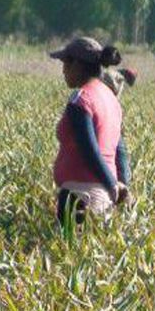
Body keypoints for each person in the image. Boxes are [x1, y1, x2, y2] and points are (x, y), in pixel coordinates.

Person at [49, 37, 131, 224]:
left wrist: (112, 186)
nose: (63, 70)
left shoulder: (82, 99)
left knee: (70, 250)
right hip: (103, 199)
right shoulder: (111, 99)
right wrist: (121, 185)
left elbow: (89, 149)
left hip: (79, 198)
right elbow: (120, 151)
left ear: (78, 64)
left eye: (66, 63)